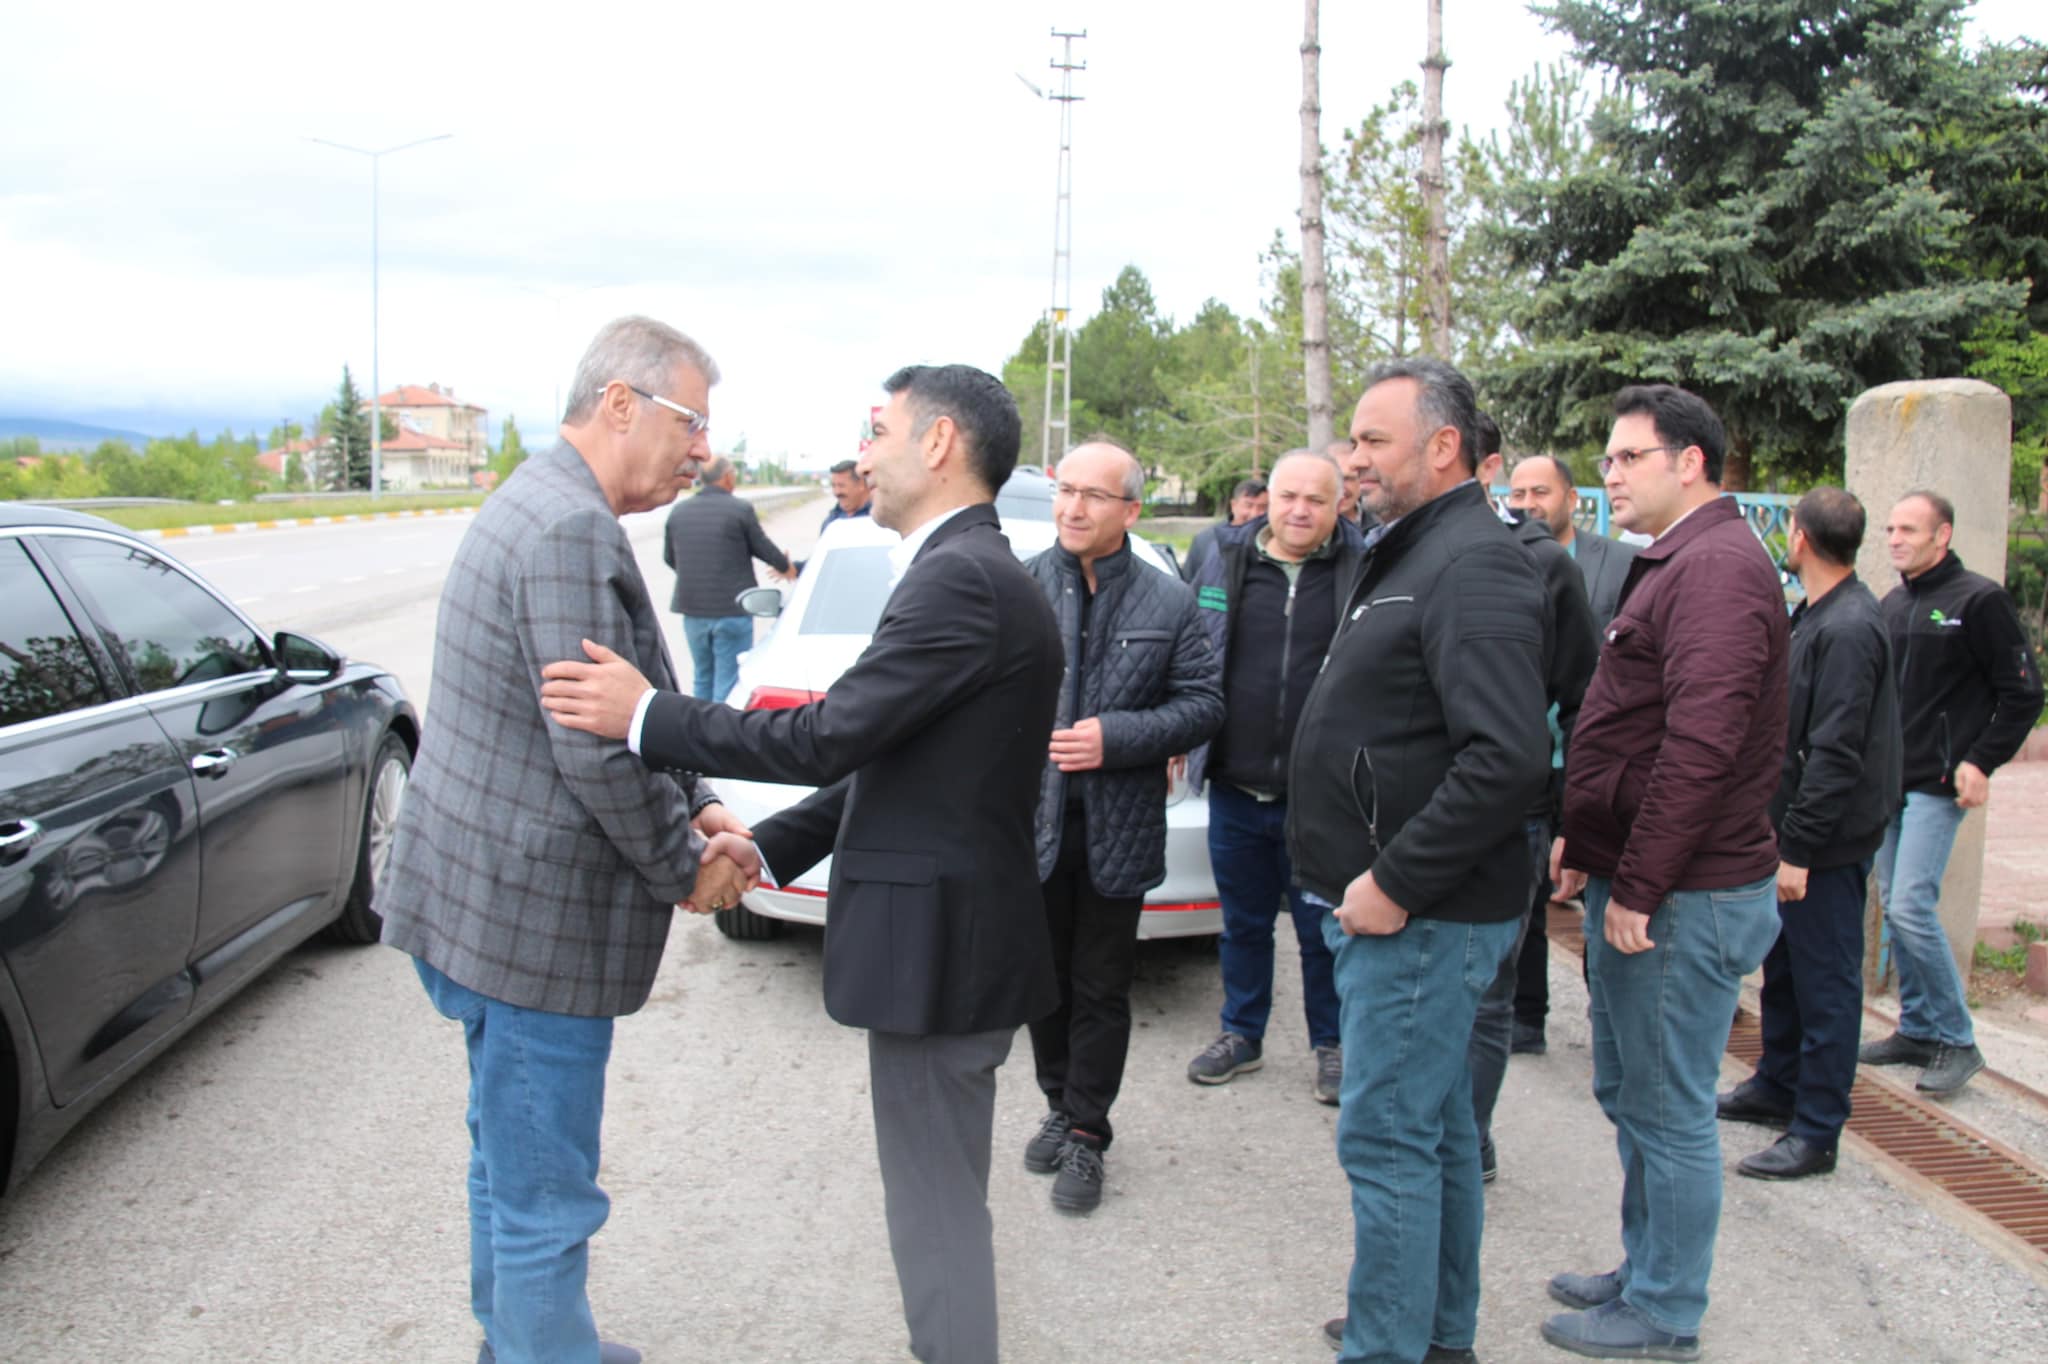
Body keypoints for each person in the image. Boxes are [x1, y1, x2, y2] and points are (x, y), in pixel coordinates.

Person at [538, 363, 1062, 1364]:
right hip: (951, 944)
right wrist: (767, 844)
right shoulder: (967, 567)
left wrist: (647, 713)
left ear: (940, 442)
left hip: (942, 956)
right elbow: (900, 765)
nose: (863, 455)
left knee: (936, 1210)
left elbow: (825, 738)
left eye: (879, 432)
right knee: (934, 1196)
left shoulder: (961, 576)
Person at [378, 315, 760, 1364]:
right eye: (692, 422)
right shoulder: (568, 531)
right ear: (620, 403)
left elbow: (627, 705)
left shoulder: (544, 500)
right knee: (544, 1195)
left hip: (484, 912)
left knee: (507, 1166)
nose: (702, 449)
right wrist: (687, 868)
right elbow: (593, 751)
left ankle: (519, 1344)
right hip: (528, 931)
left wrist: (699, 803)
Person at [1295, 359, 1550, 1364]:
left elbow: (1507, 757)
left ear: (1442, 446)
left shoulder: (1472, 562)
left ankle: (1388, 1342)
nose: (1350, 458)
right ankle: (1432, 1332)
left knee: (1389, 1139)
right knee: (1434, 1131)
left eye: (1371, 440)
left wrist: (1392, 882)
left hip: (1420, 914)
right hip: (1408, 908)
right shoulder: (1413, 546)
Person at [1546, 384, 1789, 1361]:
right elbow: (1631, 729)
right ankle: (1646, 1266)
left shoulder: (1718, 568)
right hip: (1651, 878)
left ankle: (1664, 1309)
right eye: (1605, 459)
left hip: (1685, 895)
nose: (1607, 475)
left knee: (1668, 1107)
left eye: (1626, 457)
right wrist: (1587, 844)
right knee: (1633, 1093)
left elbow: (1700, 747)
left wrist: (1639, 884)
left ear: (1688, 462)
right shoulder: (1681, 558)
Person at [1021, 440, 1223, 1214]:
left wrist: (1119, 737)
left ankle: (1088, 1132)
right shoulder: (1023, 587)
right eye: (1065, 491)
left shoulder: (1169, 601)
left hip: (1118, 829)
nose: (1073, 508)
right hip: (1032, 827)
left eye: (1094, 495)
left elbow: (1203, 705)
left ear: (1131, 510)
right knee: (1043, 983)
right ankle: (1058, 1102)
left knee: (1101, 987)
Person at [1717, 487, 1902, 1179]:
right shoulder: (1815, 612)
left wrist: (1798, 848)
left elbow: (1836, 751)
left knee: (1826, 984)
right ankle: (1778, 1084)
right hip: (1793, 832)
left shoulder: (1849, 626)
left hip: (1825, 843)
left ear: (1798, 538)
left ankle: (1818, 1129)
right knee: (1786, 972)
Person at [1183, 450, 1363, 1105]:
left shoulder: (1362, 566)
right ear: (1268, 499)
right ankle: (1242, 1032)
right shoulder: (1223, 557)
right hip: (1236, 785)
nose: (1299, 510)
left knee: (1322, 931)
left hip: (1321, 798)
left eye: (1316, 499)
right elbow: (1190, 647)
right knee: (1243, 924)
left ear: (1339, 505)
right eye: (1288, 496)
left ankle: (1331, 1044)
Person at [1859, 490, 2043, 1094]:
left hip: (1940, 784)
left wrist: (1981, 761)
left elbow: (2023, 694)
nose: (1895, 539)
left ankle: (1959, 1040)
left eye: (1908, 530)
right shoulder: (1893, 604)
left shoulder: (1979, 601)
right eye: (1890, 529)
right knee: (1895, 901)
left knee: (1912, 904)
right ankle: (1917, 1028)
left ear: (1943, 536)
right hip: (1892, 781)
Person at [1465, 413, 1599, 1187]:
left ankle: (1468, 1139)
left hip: (1514, 814)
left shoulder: (1544, 565)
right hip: (1411, 812)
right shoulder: (1389, 549)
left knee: (1489, 992)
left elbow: (1583, 702)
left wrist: (1572, 820)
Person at [1506, 451, 1640, 1056]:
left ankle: (1607, 1018)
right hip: (1533, 758)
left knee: (1597, 890)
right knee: (1527, 895)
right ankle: (1526, 1015)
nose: (1529, 504)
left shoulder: (1619, 563)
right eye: (1518, 494)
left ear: (1572, 498)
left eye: (1541, 492)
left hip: (1594, 754)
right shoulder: (1504, 558)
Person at [663, 454, 793, 703]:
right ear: (726, 478)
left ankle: (698, 726)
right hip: (732, 610)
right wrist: (786, 566)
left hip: (693, 611)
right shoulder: (739, 509)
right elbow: (762, 547)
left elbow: (670, 558)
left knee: (702, 677)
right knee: (728, 681)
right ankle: (718, 727)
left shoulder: (679, 512)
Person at [1180, 475, 1268, 583]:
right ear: (1233, 505)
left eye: (1263, 507)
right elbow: (1187, 583)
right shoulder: (1206, 540)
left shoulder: (1271, 542)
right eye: (1248, 506)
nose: (1254, 514)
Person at [820, 457, 872, 531]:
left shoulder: (881, 517)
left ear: (861, 485)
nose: (836, 492)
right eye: (833, 486)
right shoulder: (831, 520)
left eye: (841, 485)